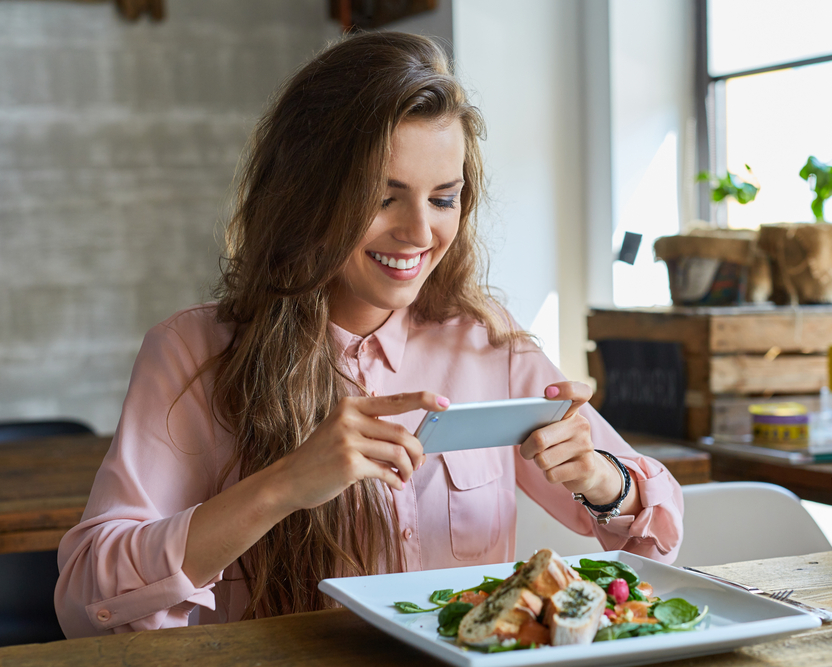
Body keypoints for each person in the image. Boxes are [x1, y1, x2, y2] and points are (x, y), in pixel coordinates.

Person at [55, 31, 683, 638]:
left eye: (444, 198)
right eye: (383, 198)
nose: (419, 232)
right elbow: (87, 601)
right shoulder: (191, 352)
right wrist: (283, 485)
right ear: (306, 196)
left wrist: (603, 481)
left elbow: (657, 532)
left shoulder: (488, 341)